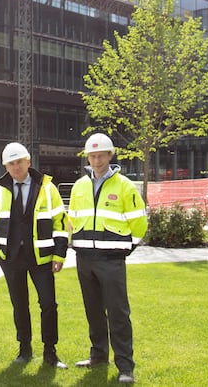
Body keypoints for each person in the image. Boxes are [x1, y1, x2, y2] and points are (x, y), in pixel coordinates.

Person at [69, 133, 149, 385]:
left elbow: (139, 222)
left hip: (111, 260)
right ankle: (98, 356)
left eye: (101, 155)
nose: (96, 160)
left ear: (110, 155)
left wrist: (125, 250)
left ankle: (125, 366)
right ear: (87, 157)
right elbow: (71, 219)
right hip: (84, 258)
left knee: (118, 313)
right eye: (92, 156)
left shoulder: (125, 186)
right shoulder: (79, 186)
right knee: (93, 311)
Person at [0, 142, 69, 369]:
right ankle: (24, 349)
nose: (16, 166)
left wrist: (59, 254)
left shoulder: (47, 188)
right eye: (11, 163)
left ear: (28, 161)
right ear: (6, 167)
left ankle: (50, 352)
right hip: (11, 258)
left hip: (42, 257)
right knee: (19, 305)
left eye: (19, 161)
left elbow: (60, 222)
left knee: (48, 304)